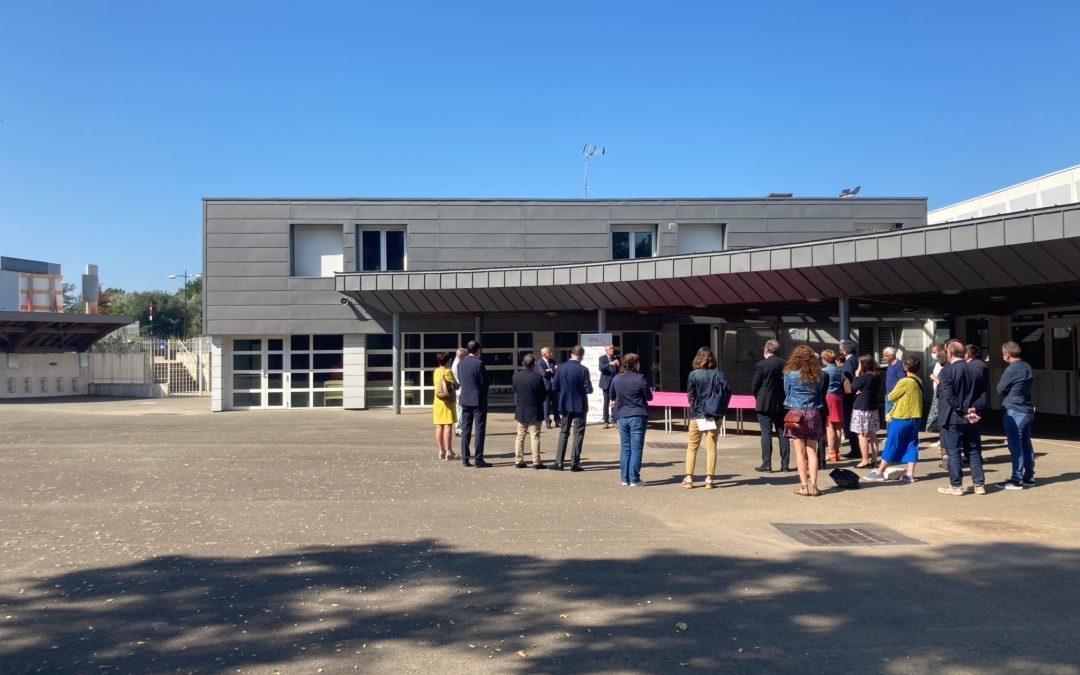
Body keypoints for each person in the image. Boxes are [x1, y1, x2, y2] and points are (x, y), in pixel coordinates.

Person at [937, 340, 989, 496]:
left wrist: (964, 410)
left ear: (949, 353)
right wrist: (974, 408)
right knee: (973, 451)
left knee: (953, 452)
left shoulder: (947, 370)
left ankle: (956, 485)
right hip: (971, 417)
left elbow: (947, 394)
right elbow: (984, 394)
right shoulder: (975, 369)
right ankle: (979, 485)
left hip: (953, 417)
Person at [865, 356, 923, 483]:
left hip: (902, 417)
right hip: (916, 417)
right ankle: (910, 474)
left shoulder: (904, 381)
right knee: (912, 444)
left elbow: (891, 396)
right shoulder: (918, 380)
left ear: (905, 367)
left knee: (891, 443)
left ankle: (879, 472)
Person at [783, 344, 827, 496]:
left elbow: (786, 393)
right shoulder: (819, 374)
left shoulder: (789, 374)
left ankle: (804, 486)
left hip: (796, 414)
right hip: (813, 412)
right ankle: (815, 486)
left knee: (799, 453)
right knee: (812, 451)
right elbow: (820, 391)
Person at [683, 346, 726, 489]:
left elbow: (691, 395)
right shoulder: (719, 374)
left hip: (698, 414)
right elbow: (724, 395)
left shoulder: (693, 375)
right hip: (713, 414)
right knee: (711, 447)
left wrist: (695, 408)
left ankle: (689, 479)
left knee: (692, 447)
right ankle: (709, 479)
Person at [996, 341, 1035, 490]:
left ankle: (1016, 479)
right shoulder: (1027, 366)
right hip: (1026, 408)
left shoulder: (1011, 369)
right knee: (1026, 443)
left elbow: (1000, 389)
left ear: (1007, 354)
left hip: (1013, 409)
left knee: (1015, 445)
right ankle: (1028, 476)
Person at [611, 352, 653, 486]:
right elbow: (649, 397)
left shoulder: (617, 378)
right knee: (636, 448)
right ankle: (634, 478)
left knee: (625, 447)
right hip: (637, 415)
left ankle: (625, 478)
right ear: (636, 364)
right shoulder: (640, 378)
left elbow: (612, 395)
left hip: (621, 415)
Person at [752, 339, 791, 473]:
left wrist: (758, 396)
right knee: (782, 433)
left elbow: (755, 385)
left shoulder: (761, 365)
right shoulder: (785, 364)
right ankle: (785, 464)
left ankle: (767, 463)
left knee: (766, 433)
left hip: (764, 403)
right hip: (781, 402)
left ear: (766, 350)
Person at [552, 344, 593, 471]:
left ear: (571, 354)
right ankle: (574, 463)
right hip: (580, 405)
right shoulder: (583, 370)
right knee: (578, 434)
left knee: (564, 432)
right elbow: (589, 389)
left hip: (565, 404)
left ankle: (559, 462)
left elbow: (554, 387)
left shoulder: (560, 368)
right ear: (581, 356)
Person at [457, 340, 491, 468]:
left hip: (465, 399)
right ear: (477, 350)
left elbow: (461, 380)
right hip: (478, 400)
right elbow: (484, 383)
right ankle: (478, 458)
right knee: (479, 429)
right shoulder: (479, 363)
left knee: (466, 429)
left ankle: (465, 458)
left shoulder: (461, 364)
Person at [512, 353, 548, 469]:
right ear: (534, 365)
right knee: (535, 436)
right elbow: (543, 395)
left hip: (521, 409)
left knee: (520, 436)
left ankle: (518, 460)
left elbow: (516, 391)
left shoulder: (516, 376)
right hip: (535, 410)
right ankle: (536, 461)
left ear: (523, 364)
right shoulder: (537, 378)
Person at [850, 355, 882, 469]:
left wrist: (857, 374)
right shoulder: (876, 376)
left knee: (861, 434)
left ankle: (864, 460)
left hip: (861, 408)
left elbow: (853, 387)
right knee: (872, 434)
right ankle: (874, 460)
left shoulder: (864, 377)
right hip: (872, 407)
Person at [431, 352, 459, 461]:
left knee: (439, 426)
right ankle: (449, 451)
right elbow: (456, 385)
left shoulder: (436, 371)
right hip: (447, 402)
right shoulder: (447, 371)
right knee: (448, 426)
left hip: (438, 402)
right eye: (450, 360)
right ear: (447, 361)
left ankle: (441, 450)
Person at [820, 349, 845, 463]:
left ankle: (831, 452)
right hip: (839, 397)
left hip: (828, 397)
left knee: (829, 426)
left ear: (825, 359)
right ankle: (836, 452)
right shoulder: (840, 370)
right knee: (839, 426)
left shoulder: (823, 371)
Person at [838, 339, 860, 457]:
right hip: (854, 395)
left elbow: (846, 379)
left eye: (841, 349)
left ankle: (855, 449)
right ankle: (856, 448)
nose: (840, 352)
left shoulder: (849, 362)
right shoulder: (855, 359)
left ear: (845, 351)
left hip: (848, 396)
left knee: (849, 422)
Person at [925, 343, 946, 456]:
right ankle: (941, 439)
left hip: (941, 395)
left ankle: (944, 443)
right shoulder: (938, 363)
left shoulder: (945, 365)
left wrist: (934, 378)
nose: (933, 354)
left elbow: (943, 382)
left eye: (934, 351)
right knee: (937, 418)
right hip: (936, 393)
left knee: (940, 417)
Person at [538, 347, 561, 429]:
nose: (551, 353)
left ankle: (558, 421)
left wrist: (550, 370)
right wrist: (552, 370)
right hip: (545, 387)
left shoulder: (553, 361)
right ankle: (547, 422)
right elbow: (543, 373)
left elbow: (558, 370)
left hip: (554, 386)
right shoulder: (540, 363)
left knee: (556, 405)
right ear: (544, 354)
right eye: (549, 352)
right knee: (546, 406)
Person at [599, 344, 620, 429]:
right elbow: (601, 368)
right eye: (610, 349)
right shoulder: (602, 358)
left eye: (613, 349)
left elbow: (619, 371)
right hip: (606, 384)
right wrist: (610, 363)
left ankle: (615, 421)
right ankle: (606, 421)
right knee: (606, 403)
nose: (612, 350)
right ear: (606, 350)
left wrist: (618, 365)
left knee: (615, 403)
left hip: (614, 384)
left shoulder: (615, 358)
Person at [882, 346, 904, 423]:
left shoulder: (899, 365)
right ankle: (889, 434)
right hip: (888, 395)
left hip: (896, 396)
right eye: (883, 355)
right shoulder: (890, 364)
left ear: (892, 356)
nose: (884, 358)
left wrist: (896, 393)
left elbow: (902, 381)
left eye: (886, 356)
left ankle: (893, 434)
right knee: (888, 418)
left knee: (894, 418)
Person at [451, 347, 467, 436]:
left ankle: (460, 428)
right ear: (461, 355)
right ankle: (459, 429)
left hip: (459, 390)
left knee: (460, 410)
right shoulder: (457, 364)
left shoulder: (457, 362)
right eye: (465, 355)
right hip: (460, 390)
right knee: (459, 410)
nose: (466, 357)